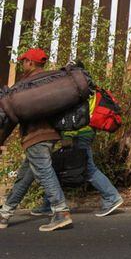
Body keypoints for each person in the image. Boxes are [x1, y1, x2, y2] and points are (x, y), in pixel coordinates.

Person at [31, 61, 124, 217]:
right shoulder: (89, 88)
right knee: (57, 167)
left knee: (87, 168)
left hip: (78, 135)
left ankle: (112, 197)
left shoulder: (76, 90)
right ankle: (49, 203)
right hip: (84, 133)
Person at [0, 48, 72, 231]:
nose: (23, 64)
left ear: (31, 63)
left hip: (35, 136)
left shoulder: (25, 86)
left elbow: (10, 116)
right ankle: (5, 214)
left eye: (24, 61)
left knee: (44, 172)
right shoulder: (49, 81)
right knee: (25, 176)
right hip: (51, 135)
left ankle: (61, 212)